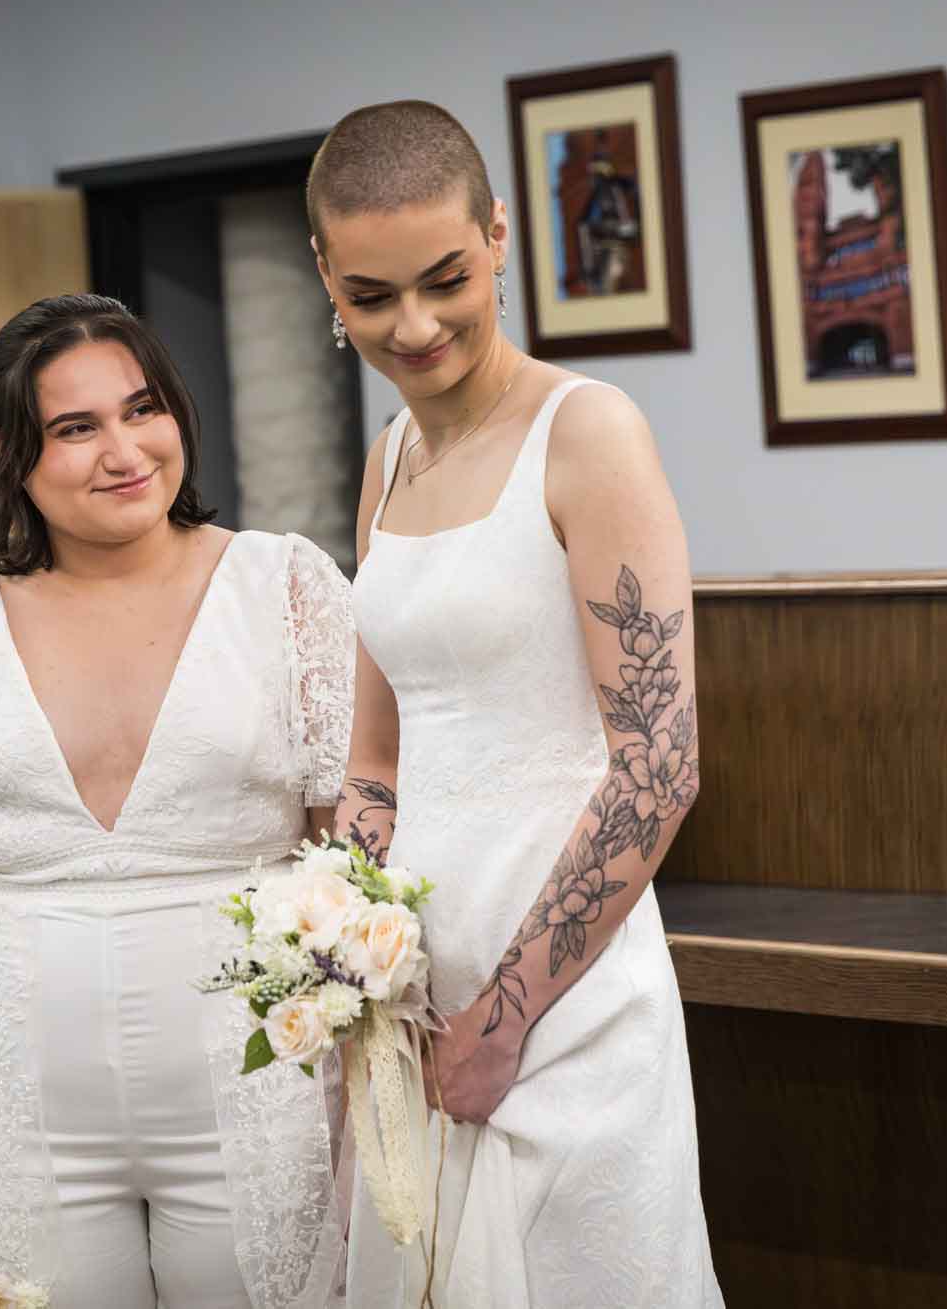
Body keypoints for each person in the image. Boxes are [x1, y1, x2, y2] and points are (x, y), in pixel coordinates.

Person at [0, 294, 352, 1308]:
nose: (124, 450)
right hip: (10, 1100)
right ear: (11, 453)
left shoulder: (285, 587)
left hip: (261, 1089)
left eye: (141, 409)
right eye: (75, 427)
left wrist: (372, 1112)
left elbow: (352, 870)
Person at [311, 102, 724, 1307]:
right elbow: (376, 756)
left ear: (498, 235)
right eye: (372, 296)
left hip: (564, 981)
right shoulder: (385, 463)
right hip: (418, 978)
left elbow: (659, 765)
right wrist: (337, 952)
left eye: (446, 278)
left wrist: (506, 1012)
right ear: (327, 280)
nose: (415, 325)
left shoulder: (584, 431)